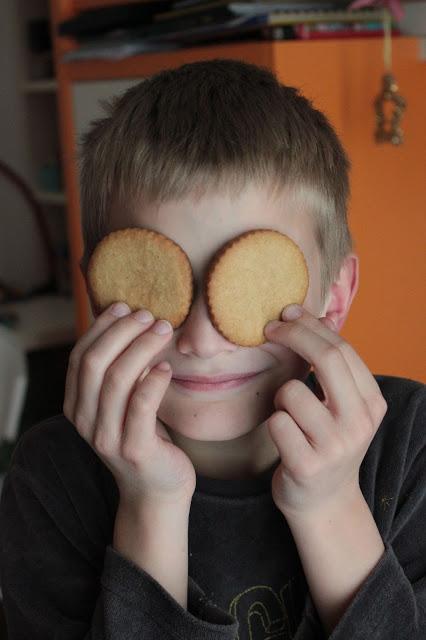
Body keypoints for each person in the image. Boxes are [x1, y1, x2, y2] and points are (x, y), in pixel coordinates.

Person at [0, 58, 424, 640]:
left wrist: (330, 507)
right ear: (102, 296)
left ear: (335, 294)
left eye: (254, 291)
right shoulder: (52, 481)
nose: (199, 340)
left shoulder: (412, 449)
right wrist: (150, 505)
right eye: (162, 291)